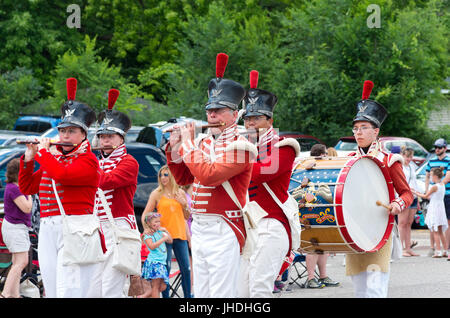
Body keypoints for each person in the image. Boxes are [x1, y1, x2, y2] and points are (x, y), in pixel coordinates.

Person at [165, 53, 256, 298]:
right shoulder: (204, 142)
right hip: (201, 227)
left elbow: (209, 176)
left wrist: (186, 145)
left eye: (219, 110)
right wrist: (174, 147)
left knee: (221, 294)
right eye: (210, 110)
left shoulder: (243, 145)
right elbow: (185, 177)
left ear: (234, 115)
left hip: (224, 227)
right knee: (201, 293)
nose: (212, 115)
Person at [18, 77, 102, 298]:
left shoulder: (88, 160)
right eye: (63, 131)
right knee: (52, 285)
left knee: (70, 285)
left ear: (83, 135)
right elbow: (27, 186)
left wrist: (44, 153)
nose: (65, 136)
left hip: (74, 226)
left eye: (72, 131)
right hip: (47, 226)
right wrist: (29, 158)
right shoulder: (55, 159)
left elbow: (63, 176)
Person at [345, 80, 413, 298]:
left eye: (364, 128)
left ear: (376, 131)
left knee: (375, 286)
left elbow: (407, 194)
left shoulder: (390, 160)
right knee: (359, 287)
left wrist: (396, 204)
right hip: (355, 230)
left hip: (379, 230)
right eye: (356, 128)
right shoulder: (348, 161)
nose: (358, 132)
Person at [238, 70, 299, 297]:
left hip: (271, 225)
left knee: (259, 289)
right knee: (239, 292)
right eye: (247, 118)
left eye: (256, 118)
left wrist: (230, 160)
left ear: (270, 120)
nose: (250, 123)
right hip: (248, 227)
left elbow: (260, 173)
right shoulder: (243, 147)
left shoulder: (285, 146)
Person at [94, 89, 140, 297]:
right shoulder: (97, 162)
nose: (105, 140)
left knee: (111, 285)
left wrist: (83, 166)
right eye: (102, 136)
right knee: (97, 284)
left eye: (110, 136)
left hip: (118, 226)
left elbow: (108, 181)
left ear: (121, 138)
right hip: (97, 227)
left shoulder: (128, 162)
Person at [141, 165, 191, 298]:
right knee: (165, 270)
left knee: (186, 269)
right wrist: (149, 228)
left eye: (166, 175)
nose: (163, 178)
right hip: (164, 238)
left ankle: (188, 296)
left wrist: (184, 204)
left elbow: (186, 217)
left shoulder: (180, 193)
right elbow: (145, 215)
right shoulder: (156, 193)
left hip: (180, 236)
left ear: (172, 176)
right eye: (161, 175)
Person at [299, 144, 340, 289]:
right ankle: (311, 278)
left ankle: (323, 276)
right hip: (308, 213)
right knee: (313, 246)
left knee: (323, 246)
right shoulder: (308, 167)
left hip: (321, 211)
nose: (327, 156)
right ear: (321, 155)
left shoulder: (321, 168)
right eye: (325, 154)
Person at [0, 159, 33, 298]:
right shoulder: (14, 188)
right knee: (22, 262)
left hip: (16, 228)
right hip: (15, 228)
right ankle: (6, 293)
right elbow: (26, 207)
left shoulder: (14, 187)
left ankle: (14, 293)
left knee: (16, 262)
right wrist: (30, 193)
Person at [414, 167, 448, 258]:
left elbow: (425, 196)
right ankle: (445, 250)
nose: (431, 178)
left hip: (434, 208)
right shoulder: (442, 185)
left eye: (431, 176)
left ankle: (438, 251)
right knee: (440, 231)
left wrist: (415, 192)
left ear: (435, 176)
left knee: (435, 231)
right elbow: (431, 197)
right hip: (440, 208)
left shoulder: (434, 186)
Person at [424, 138, 450, 258]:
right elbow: (427, 176)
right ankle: (433, 247)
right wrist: (427, 190)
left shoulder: (449, 160)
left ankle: (446, 248)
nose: (437, 149)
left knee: (446, 222)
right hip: (434, 195)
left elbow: (448, 178)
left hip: (446, 194)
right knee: (433, 221)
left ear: (445, 148)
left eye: (439, 147)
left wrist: (437, 188)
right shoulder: (431, 160)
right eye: (436, 147)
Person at [138, 212, 172, 298]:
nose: (158, 224)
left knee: (163, 286)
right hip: (154, 262)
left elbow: (170, 240)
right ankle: (145, 295)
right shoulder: (148, 235)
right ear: (149, 223)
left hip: (161, 263)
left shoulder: (160, 232)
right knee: (155, 287)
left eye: (159, 221)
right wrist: (164, 238)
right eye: (155, 222)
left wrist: (166, 231)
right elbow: (152, 246)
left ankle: (142, 296)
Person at [399, 147, 420, 257]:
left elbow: (415, 183)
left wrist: (418, 200)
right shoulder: (400, 167)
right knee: (402, 223)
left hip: (414, 197)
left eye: (411, 156)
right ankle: (401, 248)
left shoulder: (411, 167)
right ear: (402, 155)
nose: (409, 159)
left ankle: (408, 248)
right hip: (404, 196)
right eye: (407, 156)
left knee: (409, 223)